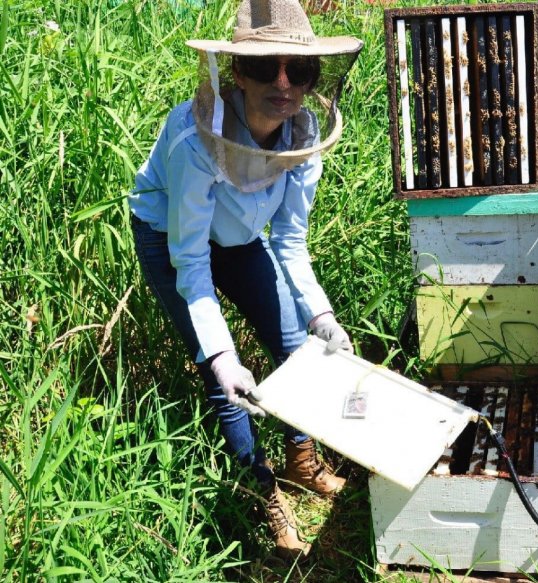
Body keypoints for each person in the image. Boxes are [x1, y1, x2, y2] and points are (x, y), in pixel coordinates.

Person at [128, 0, 362, 557]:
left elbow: (290, 240)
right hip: (171, 239)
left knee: (297, 344)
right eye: (263, 66)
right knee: (224, 374)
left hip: (241, 238)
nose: (283, 84)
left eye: (298, 70)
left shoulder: (302, 135)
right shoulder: (193, 139)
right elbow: (191, 261)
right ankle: (262, 492)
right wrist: (221, 355)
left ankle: (301, 461)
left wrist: (323, 317)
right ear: (236, 71)